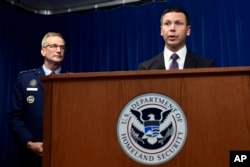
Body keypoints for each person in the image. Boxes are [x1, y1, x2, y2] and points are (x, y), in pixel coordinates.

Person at [7, 32, 67, 167]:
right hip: (31, 155)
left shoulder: (71, 80)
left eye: (62, 47)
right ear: (43, 51)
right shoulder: (24, 79)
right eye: (54, 46)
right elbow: (14, 117)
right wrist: (29, 143)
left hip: (64, 152)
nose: (59, 50)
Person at [138, 7, 214, 70]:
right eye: (167, 24)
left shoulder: (205, 66)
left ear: (187, 30)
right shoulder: (146, 68)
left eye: (178, 23)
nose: (172, 28)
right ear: (161, 31)